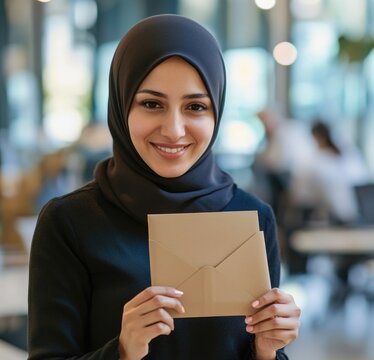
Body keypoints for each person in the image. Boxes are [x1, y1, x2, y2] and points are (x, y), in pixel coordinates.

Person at [28, 15, 300, 360]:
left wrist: (269, 351)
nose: (173, 130)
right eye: (151, 103)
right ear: (122, 104)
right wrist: (123, 350)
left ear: (217, 112)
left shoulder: (252, 217)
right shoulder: (69, 222)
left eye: (196, 107)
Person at [289, 120, 368, 224]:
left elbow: (298, 196)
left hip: (329, 219)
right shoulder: (352, 156)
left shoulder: (314, 163)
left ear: (316, 138)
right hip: (358, 216)